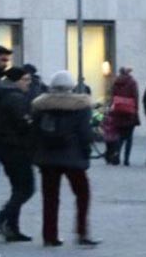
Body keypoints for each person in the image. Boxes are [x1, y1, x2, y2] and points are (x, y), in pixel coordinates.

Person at [32, 70, 98, 247]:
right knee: (83, 194)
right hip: (73, 157)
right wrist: (86, 151)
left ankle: (49, 235)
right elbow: (85, 134)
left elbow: (34, 132)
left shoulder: (40, 105)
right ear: (72, 86)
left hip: (48, 158)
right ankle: (82, 231)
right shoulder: (81, 106)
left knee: (50, 198)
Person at [0, 67, 38, 242]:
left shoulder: (1, 94)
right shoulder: (15, 98)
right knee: (26, 189)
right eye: (25, 80)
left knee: (18, 188)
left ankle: (12, 228)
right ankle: (1, 219)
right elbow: (24, 124)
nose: (28, 84)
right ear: (15, 81)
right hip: (17, 148)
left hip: (4, 148)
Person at [105, 67, 141, 166]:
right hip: (130, 112)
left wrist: (111, 109)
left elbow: (112, 96)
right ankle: (126, 159)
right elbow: (135, 97)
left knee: (119, 136)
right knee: (129, 138)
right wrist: (136, 110)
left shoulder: (116, 82)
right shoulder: (132, 82)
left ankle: (116, 155)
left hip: (118, 112)